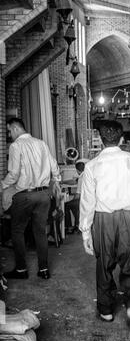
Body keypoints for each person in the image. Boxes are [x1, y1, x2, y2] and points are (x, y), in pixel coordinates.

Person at [79, 120, 130, 334]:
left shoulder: (92, 166)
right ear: (122, 139)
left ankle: (106, 310)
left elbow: (87, 203)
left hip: (104, 220)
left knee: (104, 265)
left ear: (101, 140)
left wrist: (86, 233)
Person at [1, 118, 60, 280]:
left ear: (15, 129)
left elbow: (13, 174)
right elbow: (54, 166)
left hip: (25, 195)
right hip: (43, 194)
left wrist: (3, 185)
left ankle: (21, 270)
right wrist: (55, 182)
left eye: (9, 131)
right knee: (40, 232)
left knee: (17, 231)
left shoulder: (16, 146)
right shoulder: (41, 143)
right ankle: (44, 270)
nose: (9, 134)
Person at [65, 161, 85, 234]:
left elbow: (77, 195)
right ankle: (77, 225)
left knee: (66, 205)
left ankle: (69, 226)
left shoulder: (81, 178)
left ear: (77, 170)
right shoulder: (87, 175)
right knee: (74, 206)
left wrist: (72, 200)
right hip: (88, 200)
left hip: (82, 200)